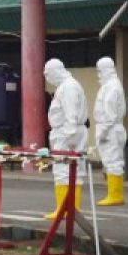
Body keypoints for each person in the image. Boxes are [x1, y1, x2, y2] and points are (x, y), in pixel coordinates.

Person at [43, 59, 87, 219]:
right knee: (74, 171)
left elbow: (71, 112)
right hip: (68, 132)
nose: (47, 77)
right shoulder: (68, 85)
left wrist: (69, 134)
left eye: (47, 73)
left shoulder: (68, 87)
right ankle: (72, 209)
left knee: (62, 170)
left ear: (55, 71)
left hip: (66, 133)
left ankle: (64, 209)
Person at [94, 57, 128, 207]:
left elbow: (110, 112)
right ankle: (114, 194)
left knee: (113, 162)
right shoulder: (110, 85)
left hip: (110, 129)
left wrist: (104, 132)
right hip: (110, 128)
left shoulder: (111, 86)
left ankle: (115, 195)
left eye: (100, 71)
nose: (99, 74)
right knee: (111, 161)